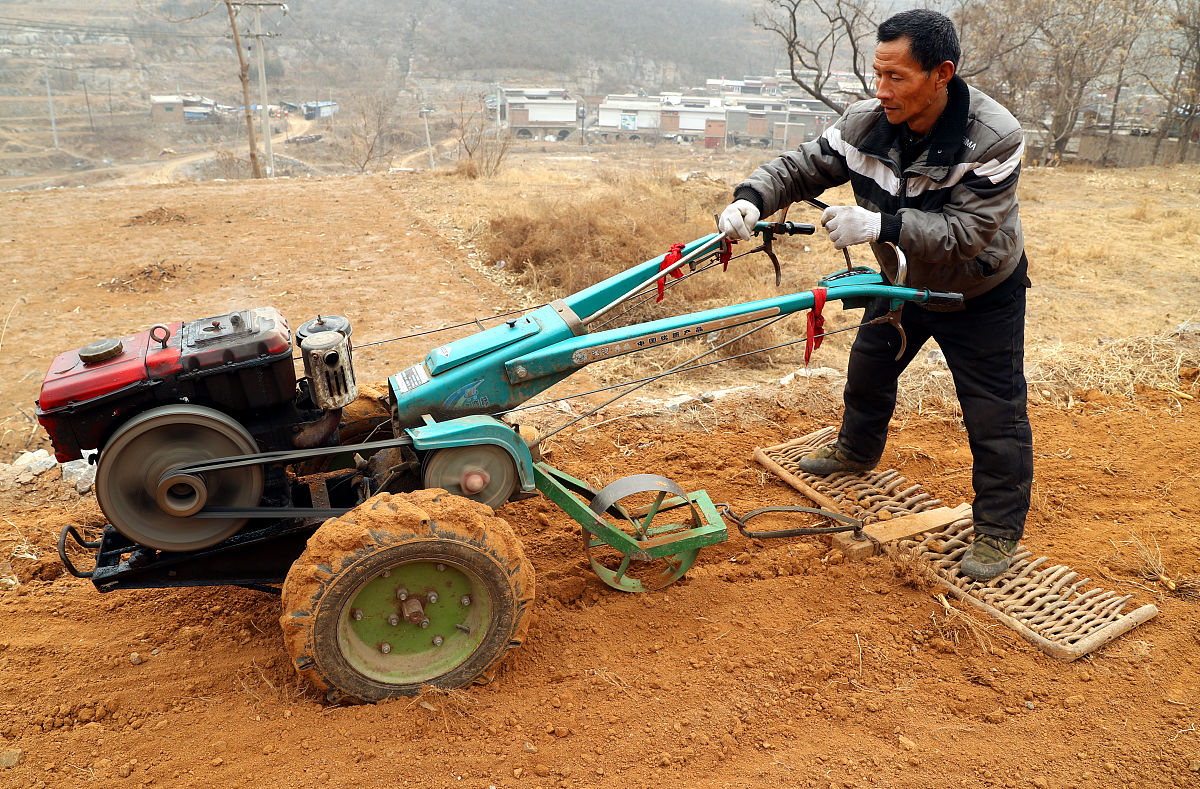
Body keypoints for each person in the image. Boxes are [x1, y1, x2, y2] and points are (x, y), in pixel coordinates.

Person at [718, 9, 1032, 581]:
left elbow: (965, 236)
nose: (881, 90)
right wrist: (751, 199)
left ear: (942, 73)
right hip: (901, 279)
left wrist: (880, 226)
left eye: (897, 78)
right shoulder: (865, 122)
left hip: (979, 289)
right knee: (868, 367)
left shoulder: (994, 137)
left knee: (993, 409)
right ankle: (856, 453)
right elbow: (802, 167)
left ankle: (996, 530)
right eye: (877, 74)